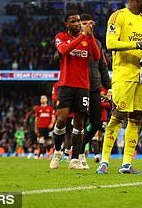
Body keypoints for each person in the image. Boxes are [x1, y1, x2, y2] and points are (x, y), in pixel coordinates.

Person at [97, 0, 142, 175]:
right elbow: (110, 43)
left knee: (136, 118)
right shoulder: (118, 16)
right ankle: (105, 161)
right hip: (123, 75)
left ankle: (126, 163)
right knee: (117, 116)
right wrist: (140, 43)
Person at [49, 10, 100, 170]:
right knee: (61, 119)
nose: (77, 24)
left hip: (83, 87)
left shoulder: (87, 38)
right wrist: (82, 36)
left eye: (78, 21)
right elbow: (64, 51)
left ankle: (75, 160)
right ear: (67, 24)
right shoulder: (61, 37)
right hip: (65, 85)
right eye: (73, 21)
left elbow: (97, 57)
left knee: (79, 123)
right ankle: (57, 152)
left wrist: (90, 37)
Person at [79, 13, 112, 168]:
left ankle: (78, 149)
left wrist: (110, 87)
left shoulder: (97, 44)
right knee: (79, 121)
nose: (87, 26)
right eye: (83, 23)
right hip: (78, 87)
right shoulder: (74, 42)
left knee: (96, 122)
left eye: (89, 23)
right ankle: (74, 155)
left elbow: (103, 67)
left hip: (93, 87)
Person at [35, 95, 56, 159]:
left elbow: (53, 117)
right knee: (41, 140)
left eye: (43, 98)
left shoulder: (50, 108)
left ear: (46, 100)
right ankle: (41, 154)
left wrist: (52, 123)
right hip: (41, 127)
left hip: (48, 127)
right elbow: (36, 119)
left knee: (48, 141)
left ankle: (48, 154)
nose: (42, 99)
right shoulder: (38, 109)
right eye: (41, 98)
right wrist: (36, 128)